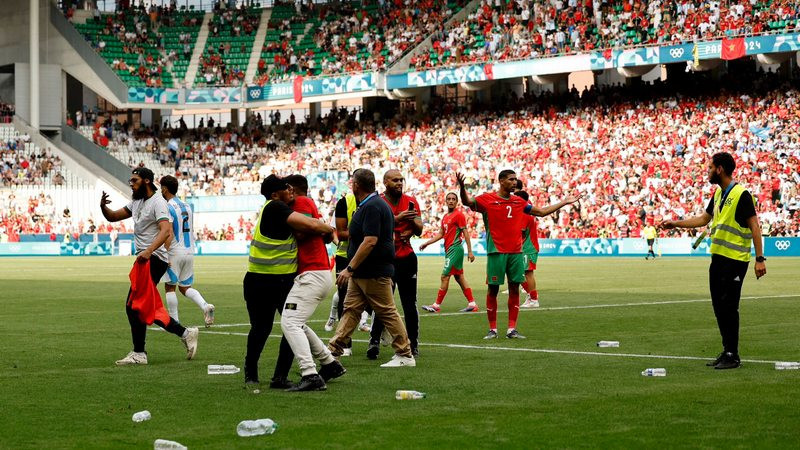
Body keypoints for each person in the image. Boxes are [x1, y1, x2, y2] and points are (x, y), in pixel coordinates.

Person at [660, 152, 767, 370]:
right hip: (718, 260)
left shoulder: (741, 194)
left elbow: (755, 226)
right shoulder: (718, 194)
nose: (708, 171)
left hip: (735, 260)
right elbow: (703, 219)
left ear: (720, 169)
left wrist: (759, 259)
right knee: (719, 307)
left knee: (729, 307)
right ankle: (727, 350)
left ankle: (732, 355)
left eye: (710, 167)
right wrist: (675, 223)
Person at [457, 170, 580, 339]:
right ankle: (492, 329)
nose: (515, 182)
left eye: (516, 179)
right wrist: (462, 188)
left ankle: (511, 329)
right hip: (496, 252)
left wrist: (564, 202)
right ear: (501, 181)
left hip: (516, 252)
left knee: (515, 289)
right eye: (511, 179)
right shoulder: (487, 199)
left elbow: (542, 212)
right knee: (492, 290)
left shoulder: (519, 202)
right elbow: (467, 201)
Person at [243, 174, 337, 389]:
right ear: (275, 194)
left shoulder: (279, 207)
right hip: (264, 281)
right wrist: (328, 229)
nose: (291, 190)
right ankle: (261, 374)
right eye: (286, 188)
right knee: (268, 328)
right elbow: (311, 226)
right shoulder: (275, 207)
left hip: (274, 280)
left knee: (281, 326)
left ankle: (270, 376)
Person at [100, 167, 198, 365]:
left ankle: (140, 353)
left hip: (153, 260)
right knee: (141, 307)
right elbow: (113, 217)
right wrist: (103, 207)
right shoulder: (137, 202)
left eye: (134, 180)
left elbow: (166, 230)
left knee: (133, 306)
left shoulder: (159, 203)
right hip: (145, 259)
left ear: (146, 181)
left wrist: (149, 250)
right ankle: (185, 333)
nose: (131, 184)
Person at [328, 169, 415, 368]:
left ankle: (405, 354)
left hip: (373, 271)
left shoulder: (373, 206)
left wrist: (349, 268)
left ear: (356, 185)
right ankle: (333, 352)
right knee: (350, 311)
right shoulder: (371, 205)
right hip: (363, 272)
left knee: (387, 312)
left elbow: (370, 241)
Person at [280, 174, 346, 391]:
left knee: (289, 322)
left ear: (291, 188)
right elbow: (324, 233)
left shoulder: (301, 202)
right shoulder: (307, 204)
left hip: (312, 273)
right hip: (316, 271)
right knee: (296, 322)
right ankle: (329, 364)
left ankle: (310, 373)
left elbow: (302, 231)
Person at [367, 170, 422, 359]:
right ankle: (374, 341)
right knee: (383, 303)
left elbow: (420, 229)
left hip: (407, 258)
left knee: (409, 303)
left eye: (401, 180)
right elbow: (376, 228)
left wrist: (413, 226)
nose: (399, 183)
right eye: (395, 180)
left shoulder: (411, 201)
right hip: (385, 259)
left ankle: (413, 344)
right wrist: (398, 218)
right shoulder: (378, 202)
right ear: (385, 182)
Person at [158, 175, 215, 326]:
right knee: (185, 288)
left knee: (170, 287)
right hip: (189, 251)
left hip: (175, 251)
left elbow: (169, 232)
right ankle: (205, 305)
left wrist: (165, 253)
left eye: (161, 188)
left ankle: (174, 322)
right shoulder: (188, 206)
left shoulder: (167, 207)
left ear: (165, 189)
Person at [325, 186, 373, 340]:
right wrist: (339, 241)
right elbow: (336, 231)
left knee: (374, 293)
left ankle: (376, 331)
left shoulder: (374, 202)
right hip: (344, 255)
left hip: (368, 255)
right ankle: (345, 342)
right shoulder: (344, 202)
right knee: (343, 295)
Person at [420, 192, 478, 313]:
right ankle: (472, 304)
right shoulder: (446, 217)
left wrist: (470, 251)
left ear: (457, 202)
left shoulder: (459, 215)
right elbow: (441, 234)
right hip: (449, 250)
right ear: (445, 201)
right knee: (459, 277)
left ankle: (436, 305)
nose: (451, 201)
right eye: (449, 199)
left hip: (455, 249)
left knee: (445, 276)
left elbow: (466, 233)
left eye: (453, 199)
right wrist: (427, 243)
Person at [513, 191, 540, 308]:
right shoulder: (525, 212)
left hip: (528, 248)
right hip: (525, 247)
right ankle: (531, 296)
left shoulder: (524, 213)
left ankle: (534, 299)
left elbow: (521, 231)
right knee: (519, 273)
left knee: (527, 273)